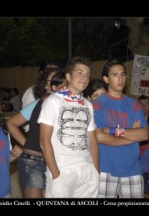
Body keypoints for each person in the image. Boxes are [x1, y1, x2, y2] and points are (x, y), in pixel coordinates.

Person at [39, 56, 99, 198]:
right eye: (79, 73)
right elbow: (44, 141)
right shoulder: (53, 101)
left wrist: (96, 170)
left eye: (87, 75)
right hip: (62, 167)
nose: (84, 78)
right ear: (68, 76)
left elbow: (93, 140)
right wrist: (55, 174)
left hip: (87, 168)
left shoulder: (88, 105)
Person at [93, 59, 149, 198]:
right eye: (115, 75)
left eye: (123, 74)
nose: (120, 78)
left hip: (133, 169)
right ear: (106, 78)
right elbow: (99, 137)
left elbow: (143, 135)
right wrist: (131, 135)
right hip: (105, 168)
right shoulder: (97, 105)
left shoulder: (134, 104)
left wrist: (111, 131)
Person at [7, 68, 65, 198]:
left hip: (54, 161)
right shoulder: (40, 103)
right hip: (34, 160)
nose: (60, 84)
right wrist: (26, 144)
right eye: (54, 80)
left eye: (62, 80)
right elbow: (11, 123)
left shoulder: (65, 104)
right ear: (45, 85)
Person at [21, 61, 60, 132]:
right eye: (49, 70)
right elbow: (24, 122)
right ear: (42, 74)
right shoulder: (32, 92)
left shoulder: (60, 98)